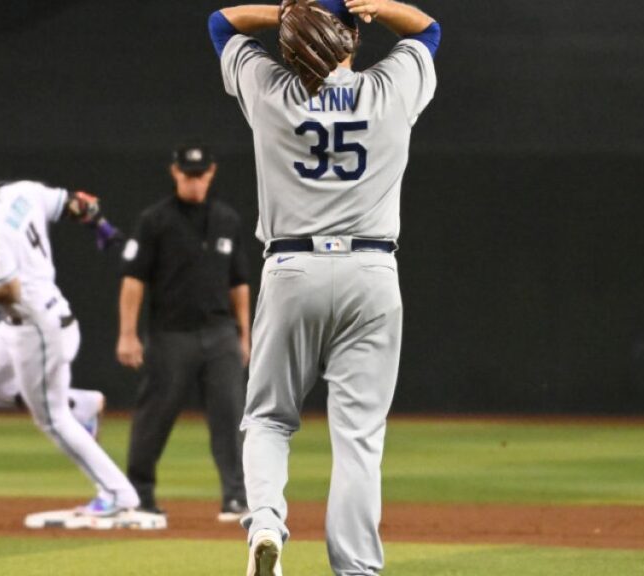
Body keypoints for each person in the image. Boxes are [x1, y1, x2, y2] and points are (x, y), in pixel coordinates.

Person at [207, 0, 440, 574]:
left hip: (292, 269)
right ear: (354, 35)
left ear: (290, 44)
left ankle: (265, 523)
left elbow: (220, 23)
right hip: (371, 270)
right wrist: (382, 7)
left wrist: (283, 12)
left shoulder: (268, 88)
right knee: (359, 435)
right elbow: (429, 31)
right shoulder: (390, 89)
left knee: (268, 418)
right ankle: (356, 569)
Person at [0, 159, 164, 530]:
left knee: (51, 420)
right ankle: (79, 403)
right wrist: (100, 224)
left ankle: (119, 495)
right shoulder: (21, 191)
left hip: (37, 327)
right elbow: (79, 202)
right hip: (35, 320)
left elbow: (8, 290)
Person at [117, 142, 251, 522]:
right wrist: (128, 333)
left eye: (200, 173)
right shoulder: (154, 220)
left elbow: (239, 282)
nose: (194, 180)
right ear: (175, 172)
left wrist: (245, 334)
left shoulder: (227, 219)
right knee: (154, 417)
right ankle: (139, 495)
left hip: (220, 332)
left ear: (211, 172)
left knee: (231, 417)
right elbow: (133, 279)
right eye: (187, 173)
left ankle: (236, 499)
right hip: (171, 334)